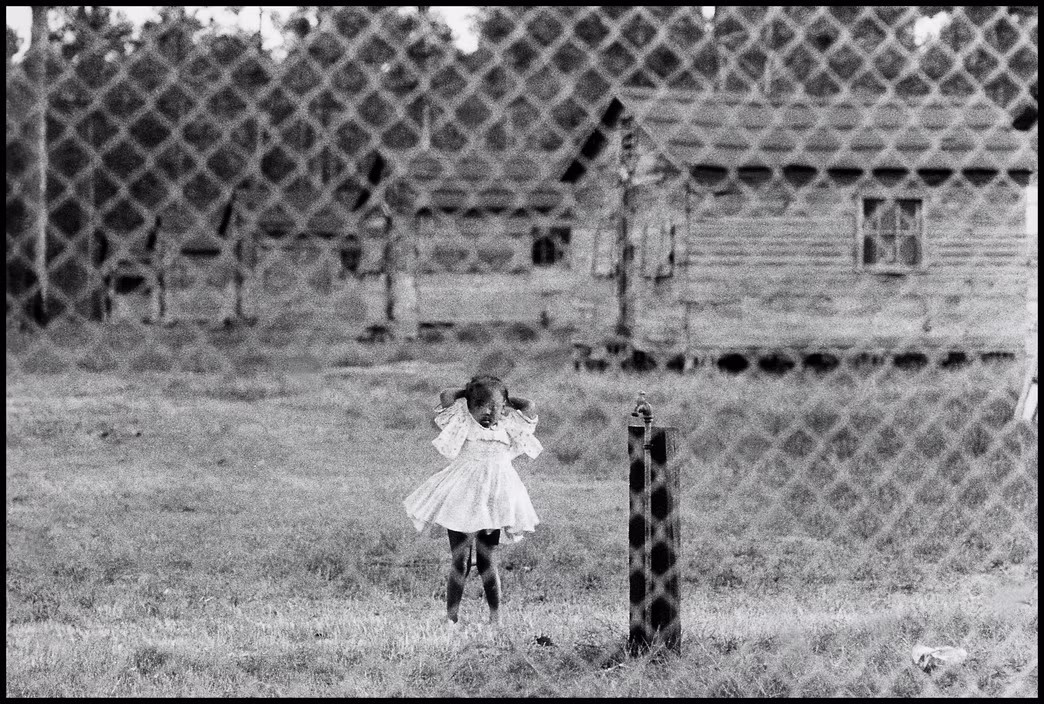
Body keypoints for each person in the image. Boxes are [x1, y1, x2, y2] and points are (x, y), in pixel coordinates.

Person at [403, 374, 542, 626]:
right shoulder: (463, 423)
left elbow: (530, 406)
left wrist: (503, 397)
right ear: (469, 405)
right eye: (480, 405)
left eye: (494, 407)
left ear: (503, 408)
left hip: (493, 500)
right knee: (460, 560)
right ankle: (451, 617)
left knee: (488, 559)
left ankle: (495, 617)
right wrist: (468, 393)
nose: (487, 412)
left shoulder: (508, 426)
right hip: (461, 497)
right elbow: (446, 396)